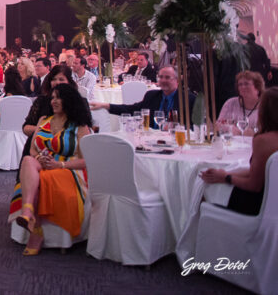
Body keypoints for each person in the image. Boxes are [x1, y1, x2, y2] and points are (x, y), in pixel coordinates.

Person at [9, 83, 92, 255]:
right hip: (43, 163)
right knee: (27, 160)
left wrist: (59, 164)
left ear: (68, 101)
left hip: (69, 170)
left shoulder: (80, 127)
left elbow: (87, 161)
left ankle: (35, 230)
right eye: (52, 97)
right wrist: (40, 158)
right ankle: (27, 212)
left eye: (58, 97)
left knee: (40, 180)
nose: (53, 101)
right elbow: (32, 149)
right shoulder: (43, 120)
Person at [200, 87, 278, 215]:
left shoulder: (263, 140)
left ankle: (204, 230)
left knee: (205, 190)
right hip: (274, 202)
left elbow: (254, 185)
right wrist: (224, 173)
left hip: (261, 204)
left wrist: (226, 177)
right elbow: (262, 171)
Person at [90, 66, 191, 127]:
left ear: (177, 80)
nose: (163, 80)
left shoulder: (188, 99)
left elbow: (195, 126)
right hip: (152, 141)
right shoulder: (152, 96)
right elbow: (131, 109)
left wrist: (176, 127)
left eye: (167, 77)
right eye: (161, 77)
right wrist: (106, 105)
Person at [218, 71, 265, 135]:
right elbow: (218, 125)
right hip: (232, 143)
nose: (242, 87)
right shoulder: (230, 103)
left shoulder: (266, 105)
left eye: (246, 84)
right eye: (240, 84)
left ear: (257, 87)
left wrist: (241, 132)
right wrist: (231, 128)